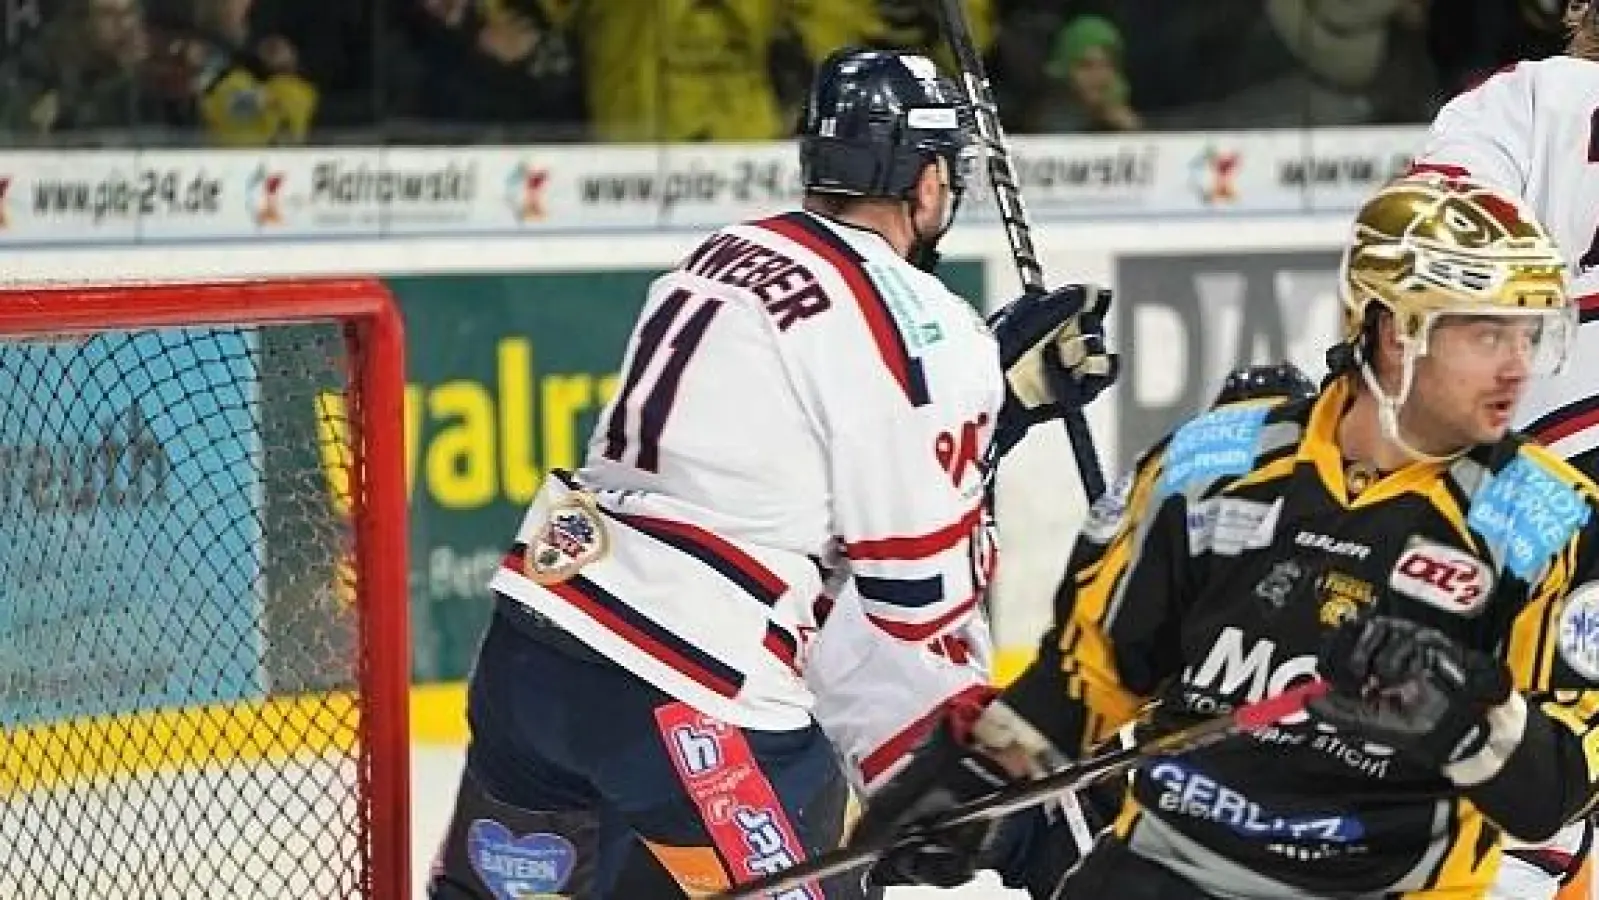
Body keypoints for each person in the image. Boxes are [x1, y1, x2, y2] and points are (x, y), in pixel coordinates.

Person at [424, 45, 1117, 900]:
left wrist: (990, 409)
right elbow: (914, 601)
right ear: (930, 181)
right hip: (688, 693)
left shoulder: (724, 251)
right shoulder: (932, 324)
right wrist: (980, 428)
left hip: (535, 645)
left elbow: (781, 462)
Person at [850, 172, 1599, 900]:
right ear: (1394, 331)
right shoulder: (1212, 464)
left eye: (1529, 334)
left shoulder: (1554, 522)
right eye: (1487, 334)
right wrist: (980, 775)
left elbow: (1557, 793)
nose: (1518, 368)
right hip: (1168, 864)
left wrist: (1463, 713)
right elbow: (1091, 677)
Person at [1407, 5, 1599, 894]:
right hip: (1546, 492)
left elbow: (1434, 247)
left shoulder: (1521, 101)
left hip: (1539, 492)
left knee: (1523, 796)